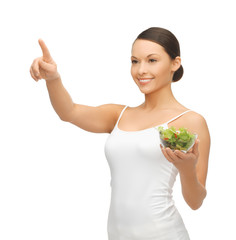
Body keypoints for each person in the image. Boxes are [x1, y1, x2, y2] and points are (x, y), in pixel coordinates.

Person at [30, 27, 211, 240]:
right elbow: (69, 112)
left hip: (164, 233)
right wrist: (53, 78)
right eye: (135, 61)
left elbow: (195, 202)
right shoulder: (119, 114)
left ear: (175, 63)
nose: (141, 70)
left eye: (152, 60)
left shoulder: (191, 121)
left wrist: (186, 168)